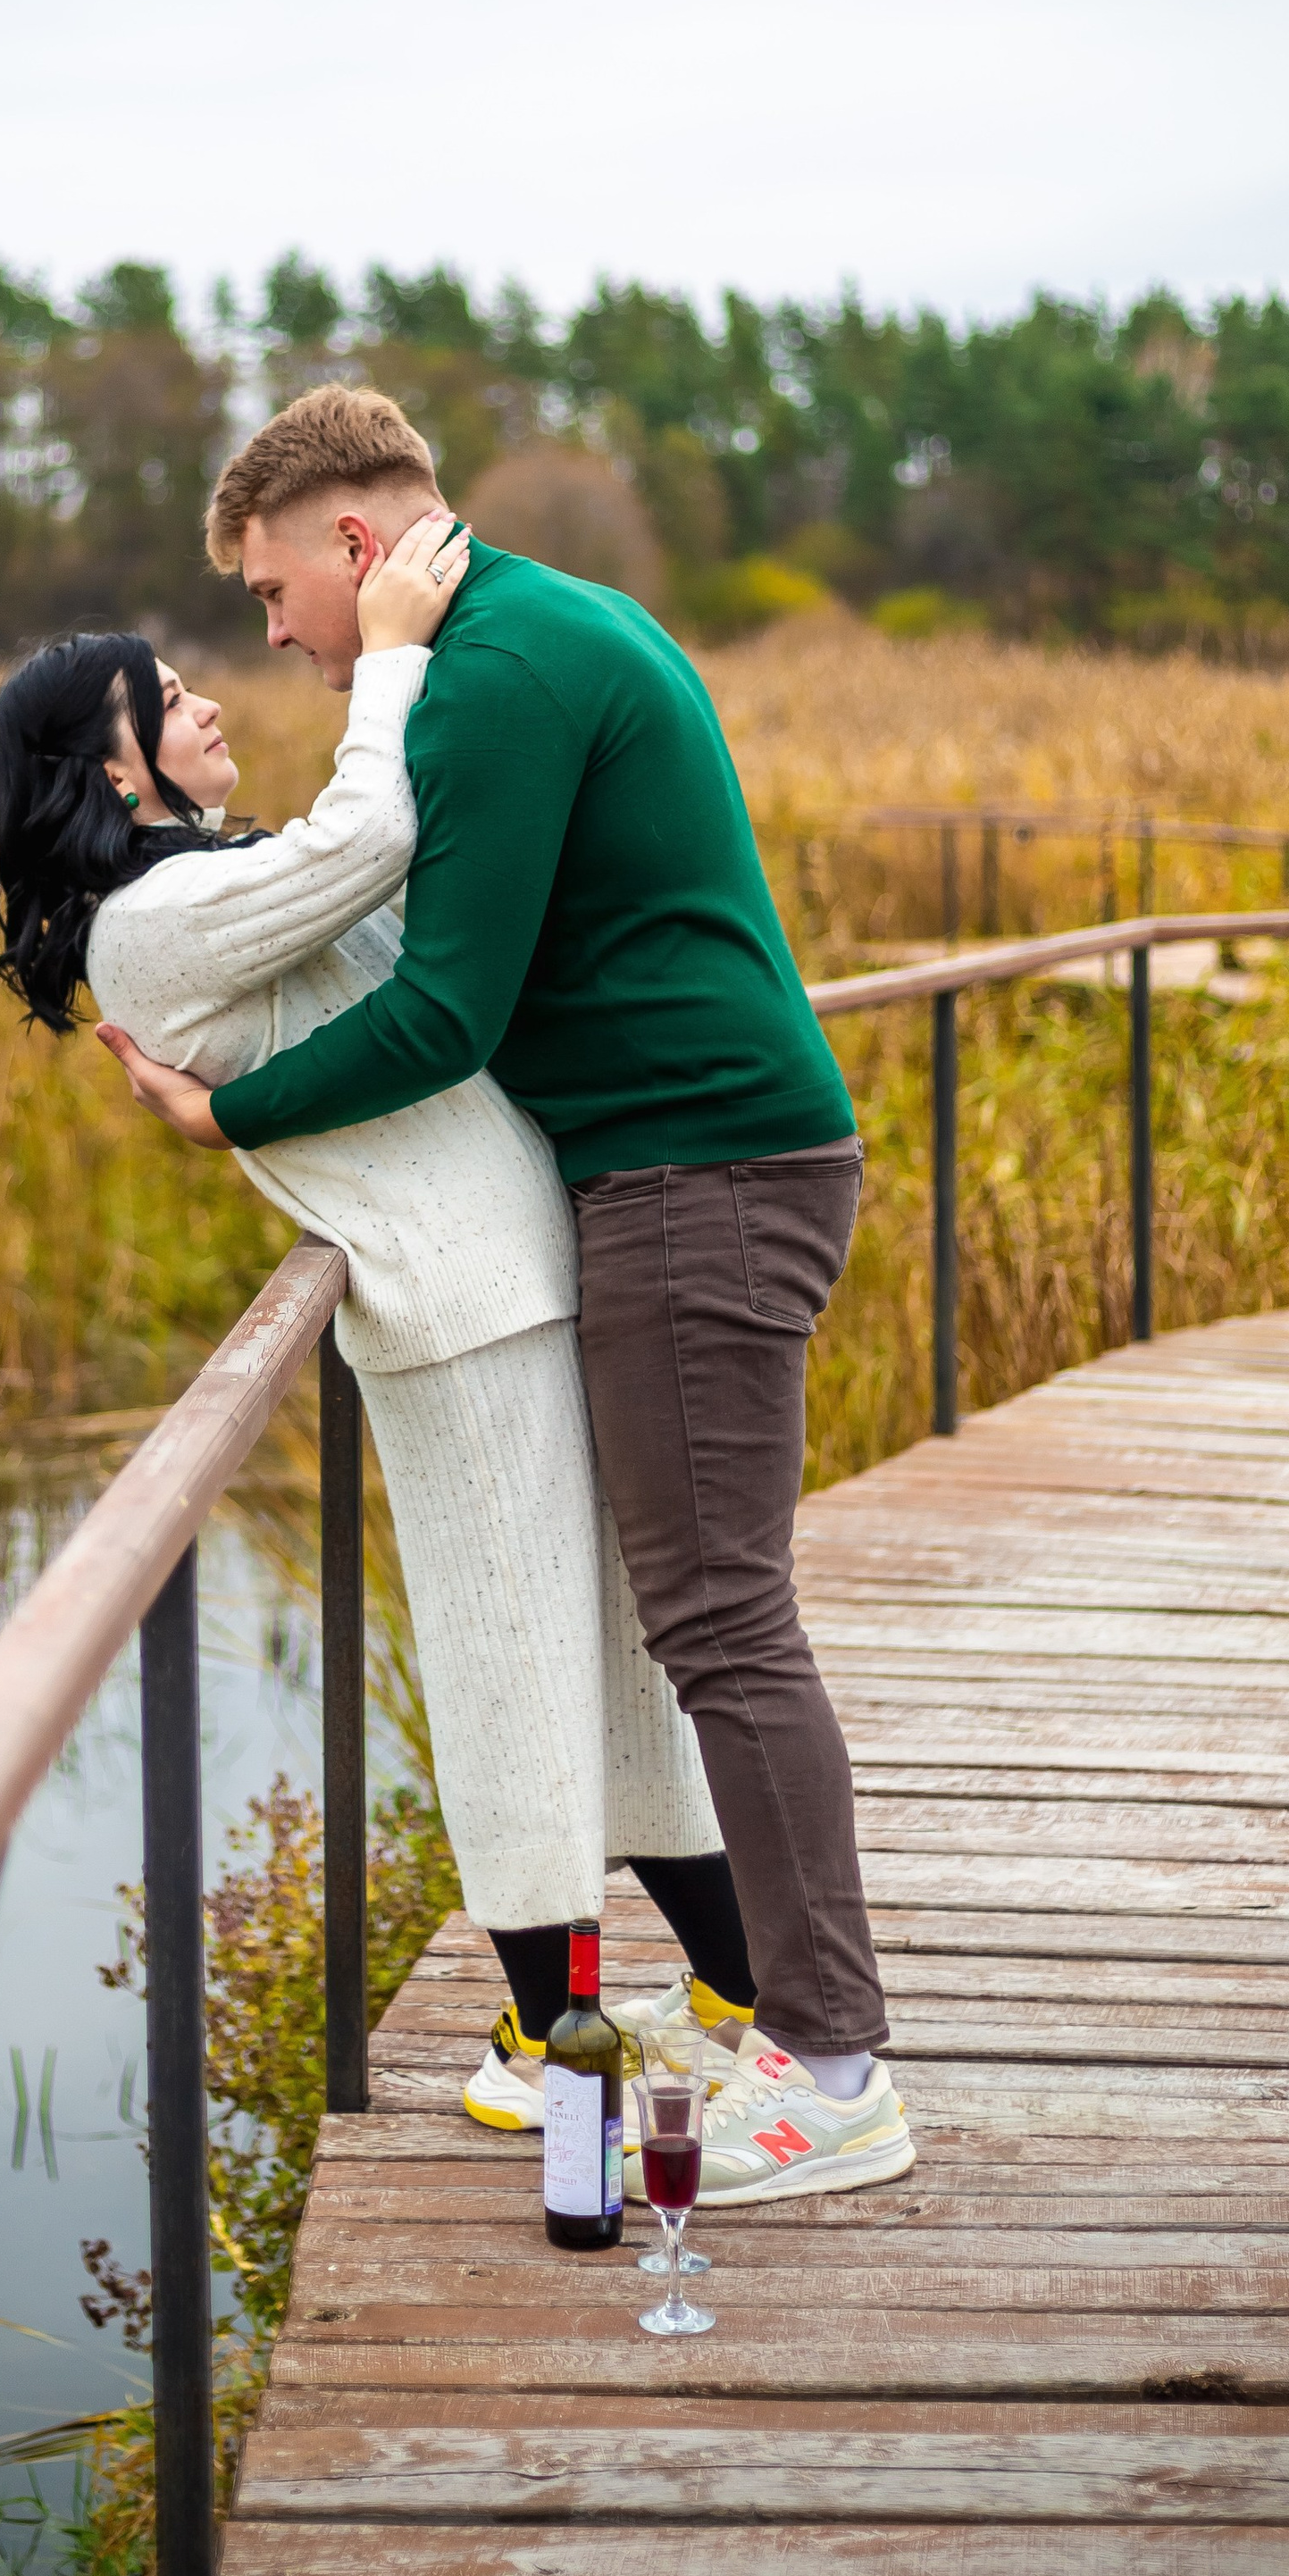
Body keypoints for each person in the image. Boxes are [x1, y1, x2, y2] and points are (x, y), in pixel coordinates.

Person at [98, 385, 912, 2207]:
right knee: (709, 1611)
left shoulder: (491, 675)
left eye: (269, 592)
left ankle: (835, 2067)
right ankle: (793, 2030)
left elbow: (441, 1013)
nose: (274, 637)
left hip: (696, 1173)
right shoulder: (546, 622)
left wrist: (224, 1111)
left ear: (351, 547)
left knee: (717, 1619)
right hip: (675, 1162)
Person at [0, 511, 756, 2143]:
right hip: (495, 1277)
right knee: (586, 1654)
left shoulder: (196, 890)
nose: (206, 698)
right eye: (166, 692)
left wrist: (392, 664)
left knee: (524, 1659)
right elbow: (365, 846)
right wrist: (391, 663)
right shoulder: (154, 921)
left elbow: (377, 899)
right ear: (112, 770)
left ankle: (569, 2043)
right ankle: (699, 1994)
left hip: (471, 1290)